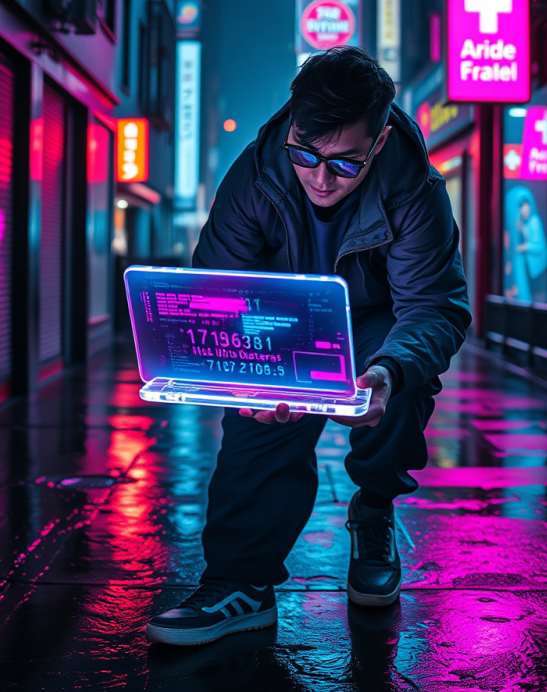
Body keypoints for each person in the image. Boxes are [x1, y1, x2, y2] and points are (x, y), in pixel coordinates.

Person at [146, 47, 471, 647]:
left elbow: (434, 306)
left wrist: (388, 372)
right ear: (293, 125)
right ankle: (240, 582)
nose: (321, 180)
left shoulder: (415, 189)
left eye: (345, 163)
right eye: (306, 155)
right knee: (256, 428)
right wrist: (242, 376)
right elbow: (217, 286)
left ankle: (373, 509)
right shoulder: (254, 175)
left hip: (375, 317)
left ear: (378, 143)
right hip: (279, 314)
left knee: (403, 380)